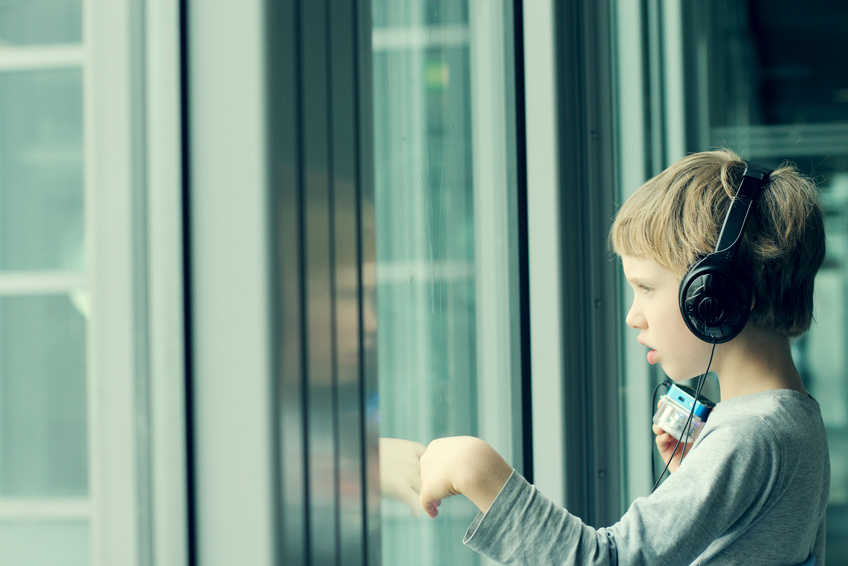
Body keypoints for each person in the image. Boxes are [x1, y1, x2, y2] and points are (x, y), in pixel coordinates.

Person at [417, 149, 831, 565]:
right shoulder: (795, 419)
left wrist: (477, 470)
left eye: (646, 288)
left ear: (714, 296)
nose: (633, 316)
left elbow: (611, 560)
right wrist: (700, 476)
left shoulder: (749, 437)